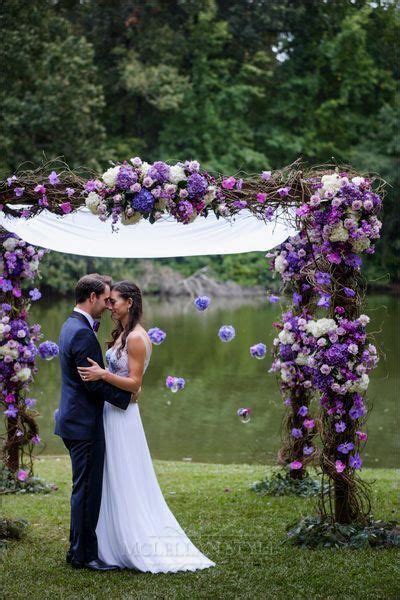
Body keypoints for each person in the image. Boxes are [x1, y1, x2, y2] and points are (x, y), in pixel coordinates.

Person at [77, 280, 216, 573]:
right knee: (110, 476)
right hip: (111, 413)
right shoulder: (123, 335)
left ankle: (131, 540)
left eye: (114, 300)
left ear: (129, 302)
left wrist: (102, 374)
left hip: (123, 417)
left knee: (125, 474)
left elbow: (135, 384)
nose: (109, 305)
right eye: (108, 300)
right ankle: (106, 541)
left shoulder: (137, 338)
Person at [55, 274, 138, 571]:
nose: (107, 305)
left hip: (74, 420)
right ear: (92, 297)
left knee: (83, 488)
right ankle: (83, 555)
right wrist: (126, 398)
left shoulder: (72, 325)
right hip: (83, 424)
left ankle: (77, 549)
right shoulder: (80, 332)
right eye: (105, 299)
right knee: (87, 491)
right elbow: (91, 383)